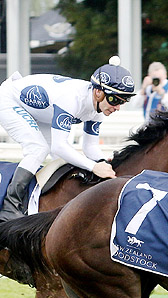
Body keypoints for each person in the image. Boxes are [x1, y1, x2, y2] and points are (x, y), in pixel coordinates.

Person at [0, 55, 135, 222]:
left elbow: (90, 147)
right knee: (38, 149)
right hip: (9, 100)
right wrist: (93, 167)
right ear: (98, 92)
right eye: (115, 99)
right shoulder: (72, 99)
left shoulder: (98, 109)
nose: (117, 107)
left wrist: (103, 163)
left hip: (41, 112)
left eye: (124, 101)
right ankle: (9, 206)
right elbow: (59, 146)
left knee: (61, 161)